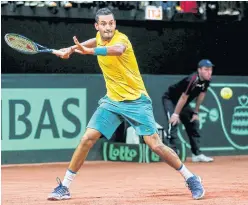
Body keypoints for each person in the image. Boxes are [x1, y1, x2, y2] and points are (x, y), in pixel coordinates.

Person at [47, 8, 205, 201]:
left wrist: (89, 51)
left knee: (155, 144)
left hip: (137, 101)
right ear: (97, 26)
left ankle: (191, 177)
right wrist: (71, 49)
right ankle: (64, 186)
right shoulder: (98, 37)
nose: (107, 27)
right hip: (112, 101)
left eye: (111, 23)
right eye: (103, 24)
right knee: (87, 138)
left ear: (115, 24)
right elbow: (94, 41)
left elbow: (116, 50)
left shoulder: (121, 40)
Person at [162, 59, 214, 163]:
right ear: (199, 70)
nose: (209, 72)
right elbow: (183, 97)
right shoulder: (192, 79)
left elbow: (202, 94)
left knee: (193, 122)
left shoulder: (207, 80)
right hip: (170, 99)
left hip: (183, 103)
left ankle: (196, 154)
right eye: (206, 69)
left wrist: (195, 112)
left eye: (210, 69)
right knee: (173, 122)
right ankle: (171, 154)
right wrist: (176, 114)